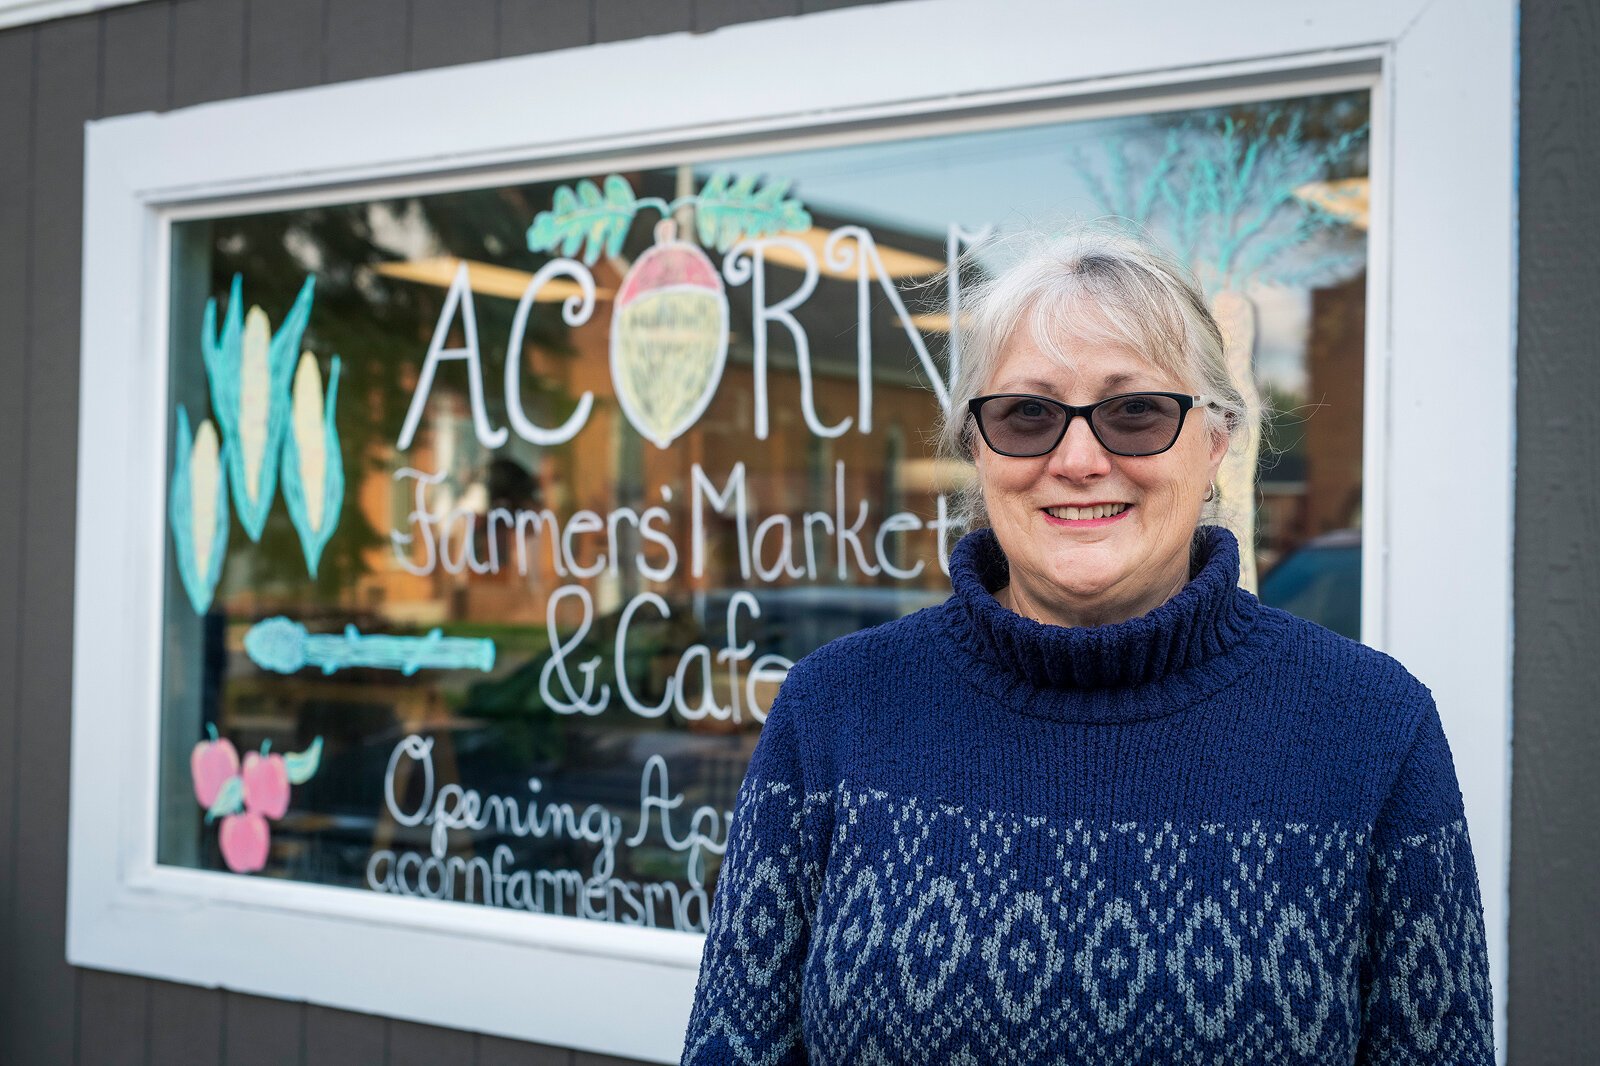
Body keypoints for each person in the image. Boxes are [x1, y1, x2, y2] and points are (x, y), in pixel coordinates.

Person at [681, 228, 1494, 1065]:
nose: (1077, 459)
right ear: (976, 446)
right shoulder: (837, 710)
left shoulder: (1370, 726)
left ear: (1215, 440)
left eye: (1135, 412)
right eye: (1027, 414)